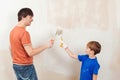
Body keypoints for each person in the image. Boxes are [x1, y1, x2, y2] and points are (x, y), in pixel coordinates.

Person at [9, 8, 54, 80]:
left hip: (16, 65)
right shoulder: (24, 33)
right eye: (30, 17)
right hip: (25, 67)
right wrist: (46, 45)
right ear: (23, 17)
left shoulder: (12, 31)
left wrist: (17, 60)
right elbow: (30, 52)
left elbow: (11, 48)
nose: (32, 19)